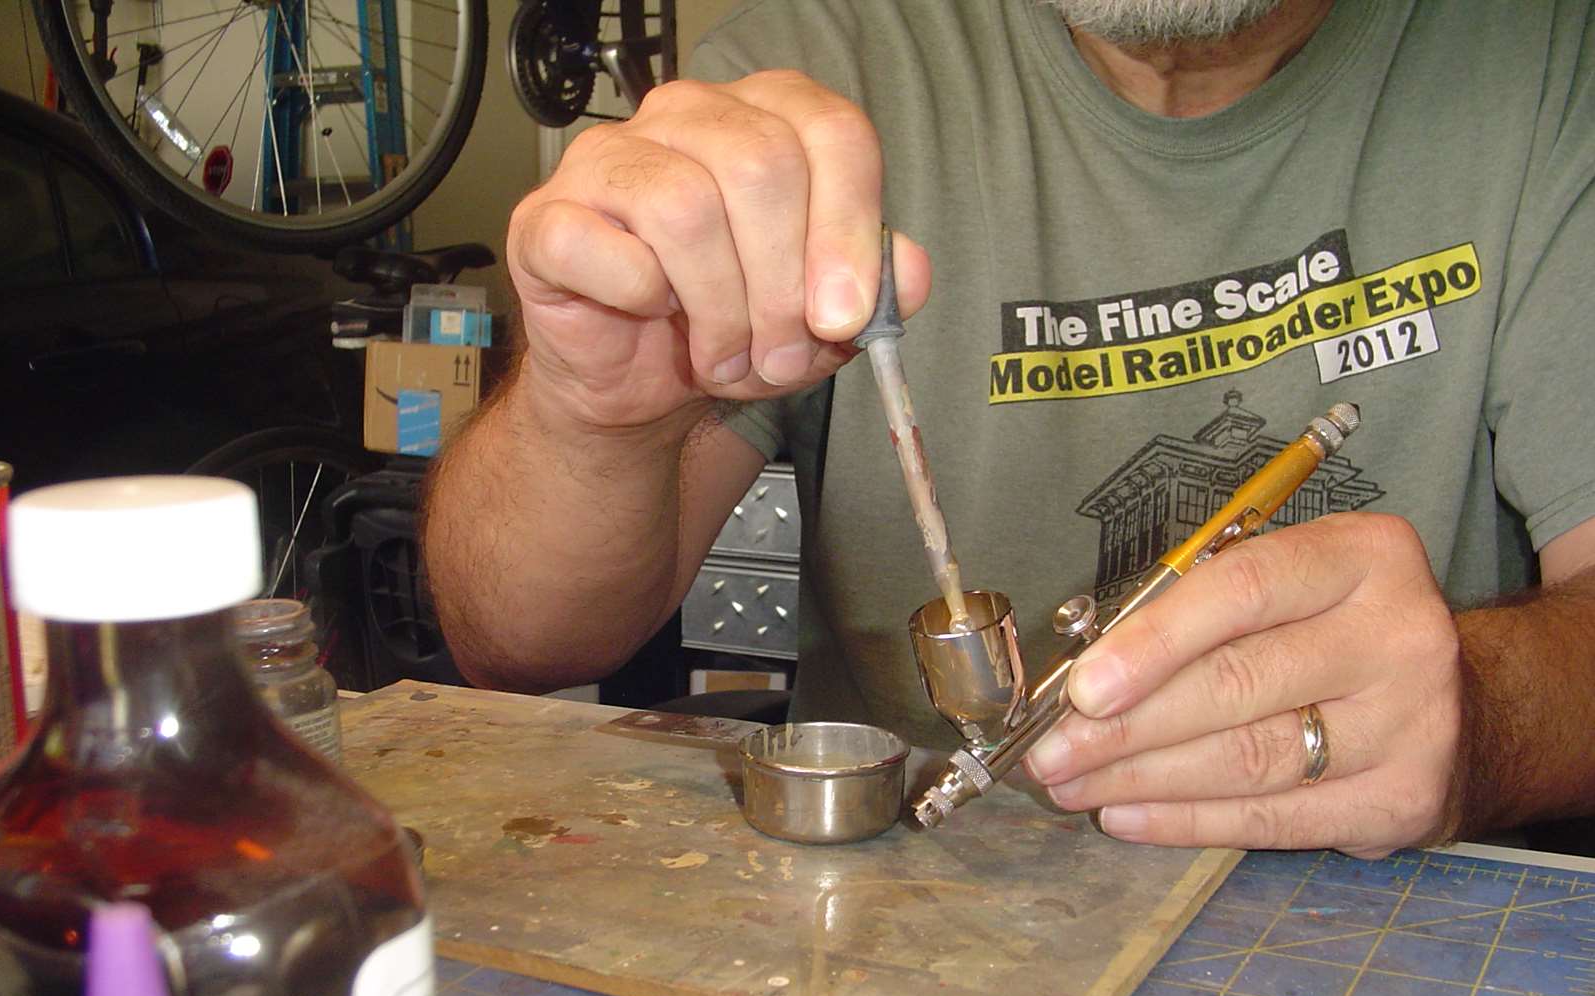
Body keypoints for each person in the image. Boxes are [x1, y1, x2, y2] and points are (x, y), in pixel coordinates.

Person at [423, 0, 1595, 860]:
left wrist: (1483, 714)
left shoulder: (1545, 62)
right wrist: (592, 417)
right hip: (924, 932)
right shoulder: (800, 85)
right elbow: (516, 641)